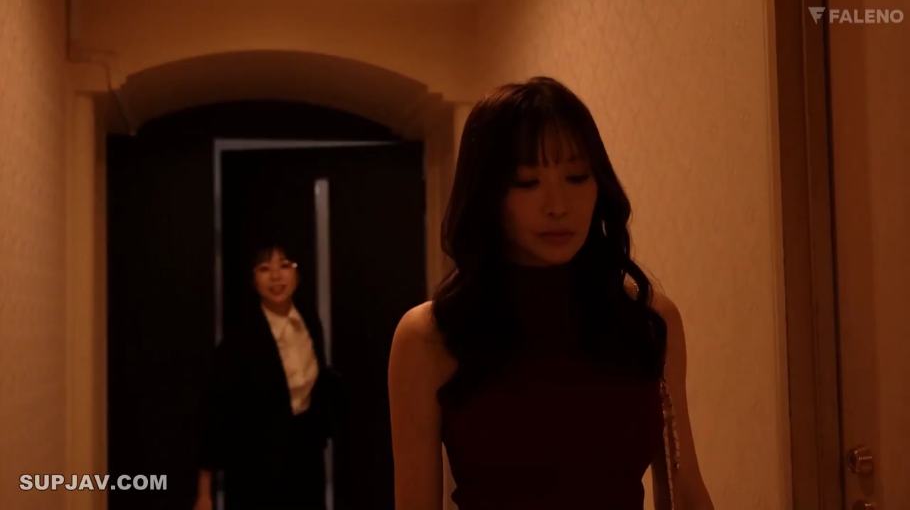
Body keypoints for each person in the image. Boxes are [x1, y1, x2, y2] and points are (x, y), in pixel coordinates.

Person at [388, 77, 714, 510]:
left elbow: (685, 489)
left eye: (577, 177)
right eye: (528, 182)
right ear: (488, 194)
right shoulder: (430, 336)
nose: (558, 205)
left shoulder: (646, 318)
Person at [195, 237, 338, 510]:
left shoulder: (308, 320)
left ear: (297, 272)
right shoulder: (239, 339)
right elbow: (217, 412)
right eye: (264, 268)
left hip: (306, 463)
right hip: (255, 470)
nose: (275, 276)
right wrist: (204, 491)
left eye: (284, 265)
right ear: (253, 279)